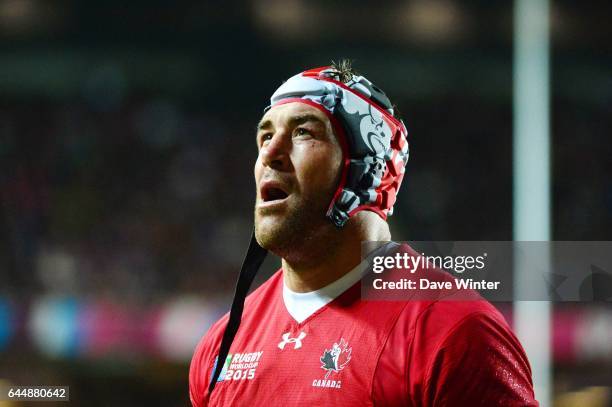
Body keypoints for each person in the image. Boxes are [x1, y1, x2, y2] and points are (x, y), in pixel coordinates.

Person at [189, 62, 538, 406]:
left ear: (370, 174)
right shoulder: (221, 345)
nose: (270, 153)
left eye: (303, 132)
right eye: (265, 136)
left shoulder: (454, 334)